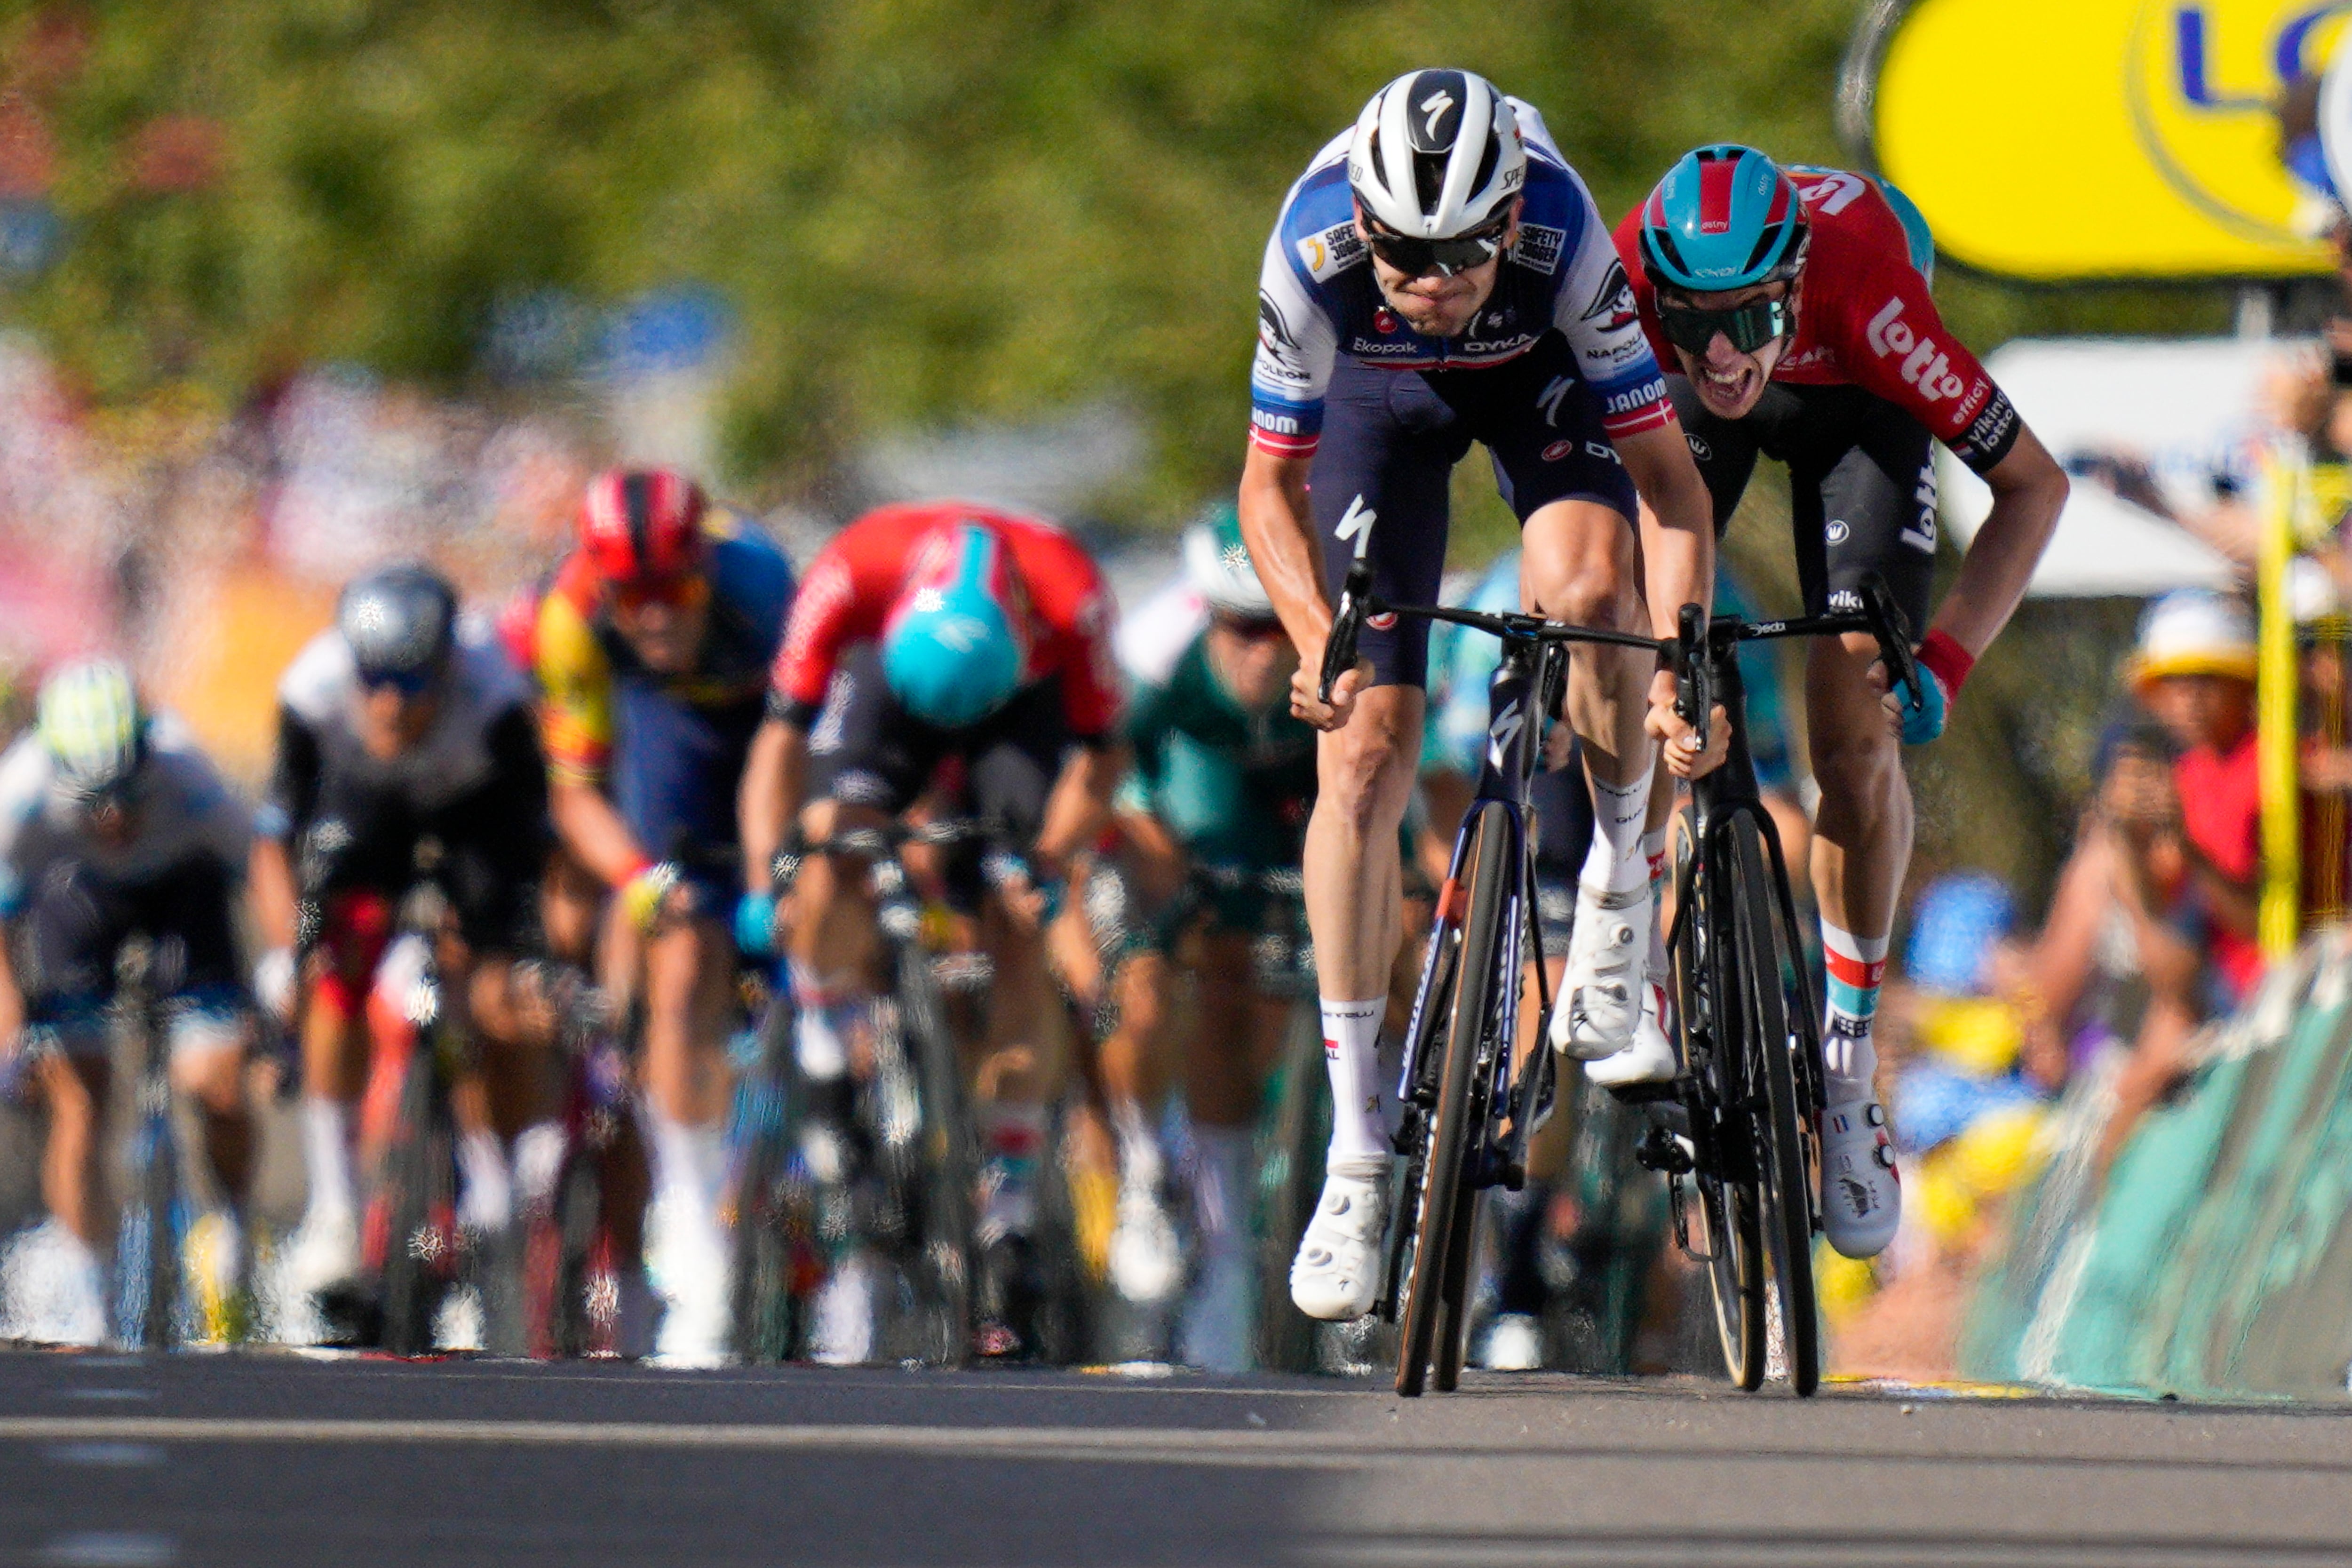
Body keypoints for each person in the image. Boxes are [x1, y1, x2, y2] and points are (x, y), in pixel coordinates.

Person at [1239, 68, 1717, 1323]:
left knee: (1591, 589)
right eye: (1405, 252)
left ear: (1510, 220)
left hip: (1536, 380)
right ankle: (1355, 1155)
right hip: (1373, 415)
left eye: (1461, 251)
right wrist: (1310, 634)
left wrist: (1682, 650)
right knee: (1362, 752)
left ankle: (1618, 882)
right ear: (1364, 220)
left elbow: (1667, 482)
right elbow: (1264, 490)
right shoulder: (1312, 253)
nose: (1433, 279)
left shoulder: (1567, 245)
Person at [1618, 145, 2069, 1257]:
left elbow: (2034, 487)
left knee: (1853, 727)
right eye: (1693, 319)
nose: (1720, 350)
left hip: (1853, 410)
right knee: (1624, 618)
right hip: (1690, 423)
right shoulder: (1628, 280)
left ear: (1795, 281)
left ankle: (1848, 1067)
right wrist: (1659, 663)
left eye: (1746, 318)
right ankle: (1624, 916)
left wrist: (1951, 659)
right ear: (1655, 289)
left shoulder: (1871, 299)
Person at [738, 499, 1125, 1358]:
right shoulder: (851, 569)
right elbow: (779, 746)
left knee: (1020, 911)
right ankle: (825, 1043)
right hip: (887, 682)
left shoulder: (1072, 595)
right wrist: (772, 877)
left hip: (1017, 709)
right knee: (834, 843)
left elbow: (1103, 756)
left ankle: (1011, 1206)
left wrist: (1051, 858)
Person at [527, 467, 796, 1366]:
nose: (650, 619)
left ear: (706, 569)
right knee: (679, 942)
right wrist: (639, 879)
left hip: (770, 736)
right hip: (665, 750)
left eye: (672, 594)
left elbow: (826, 742)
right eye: (629, 598)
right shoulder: (570, 616)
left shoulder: (764, 586)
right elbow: (576, 794)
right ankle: (689, 1210)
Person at [253, 565, 553, 1326]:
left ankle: (497, 1189)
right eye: (375, 680)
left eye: (414, 683)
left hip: (473, 813)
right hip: (365, 807)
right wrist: (290, 948)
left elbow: (532, 844)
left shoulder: (498, 695)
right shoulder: (312, 691)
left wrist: (518, 947)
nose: (391, 701)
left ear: (449, 665)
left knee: (493, 987)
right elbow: (273, 842)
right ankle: (335, 1208)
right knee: (335, 962)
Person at [1101, 504, 1319, 1369]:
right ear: (1205, 613)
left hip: (1307, 780)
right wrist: (1166, 879)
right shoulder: (1158, 651)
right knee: (1192, 969)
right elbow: (1116, 779)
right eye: (1239, 627)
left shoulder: (1342, 625)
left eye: (1276, 626)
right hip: (1199, 793)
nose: (1262, 648)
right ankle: (1188, 1200)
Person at [0, 661, 254, 1344]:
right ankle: (89, 1286)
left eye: (124, 794)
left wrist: (277, 983)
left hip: (181, 889)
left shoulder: (184, 765)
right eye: (93, 801)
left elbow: (258, 865)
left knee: (218, 1080)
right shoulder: (21, 790)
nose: (113, 816)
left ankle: (231, 1227)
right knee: (79, 1100)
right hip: (77, 895)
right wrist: (11, 1026)